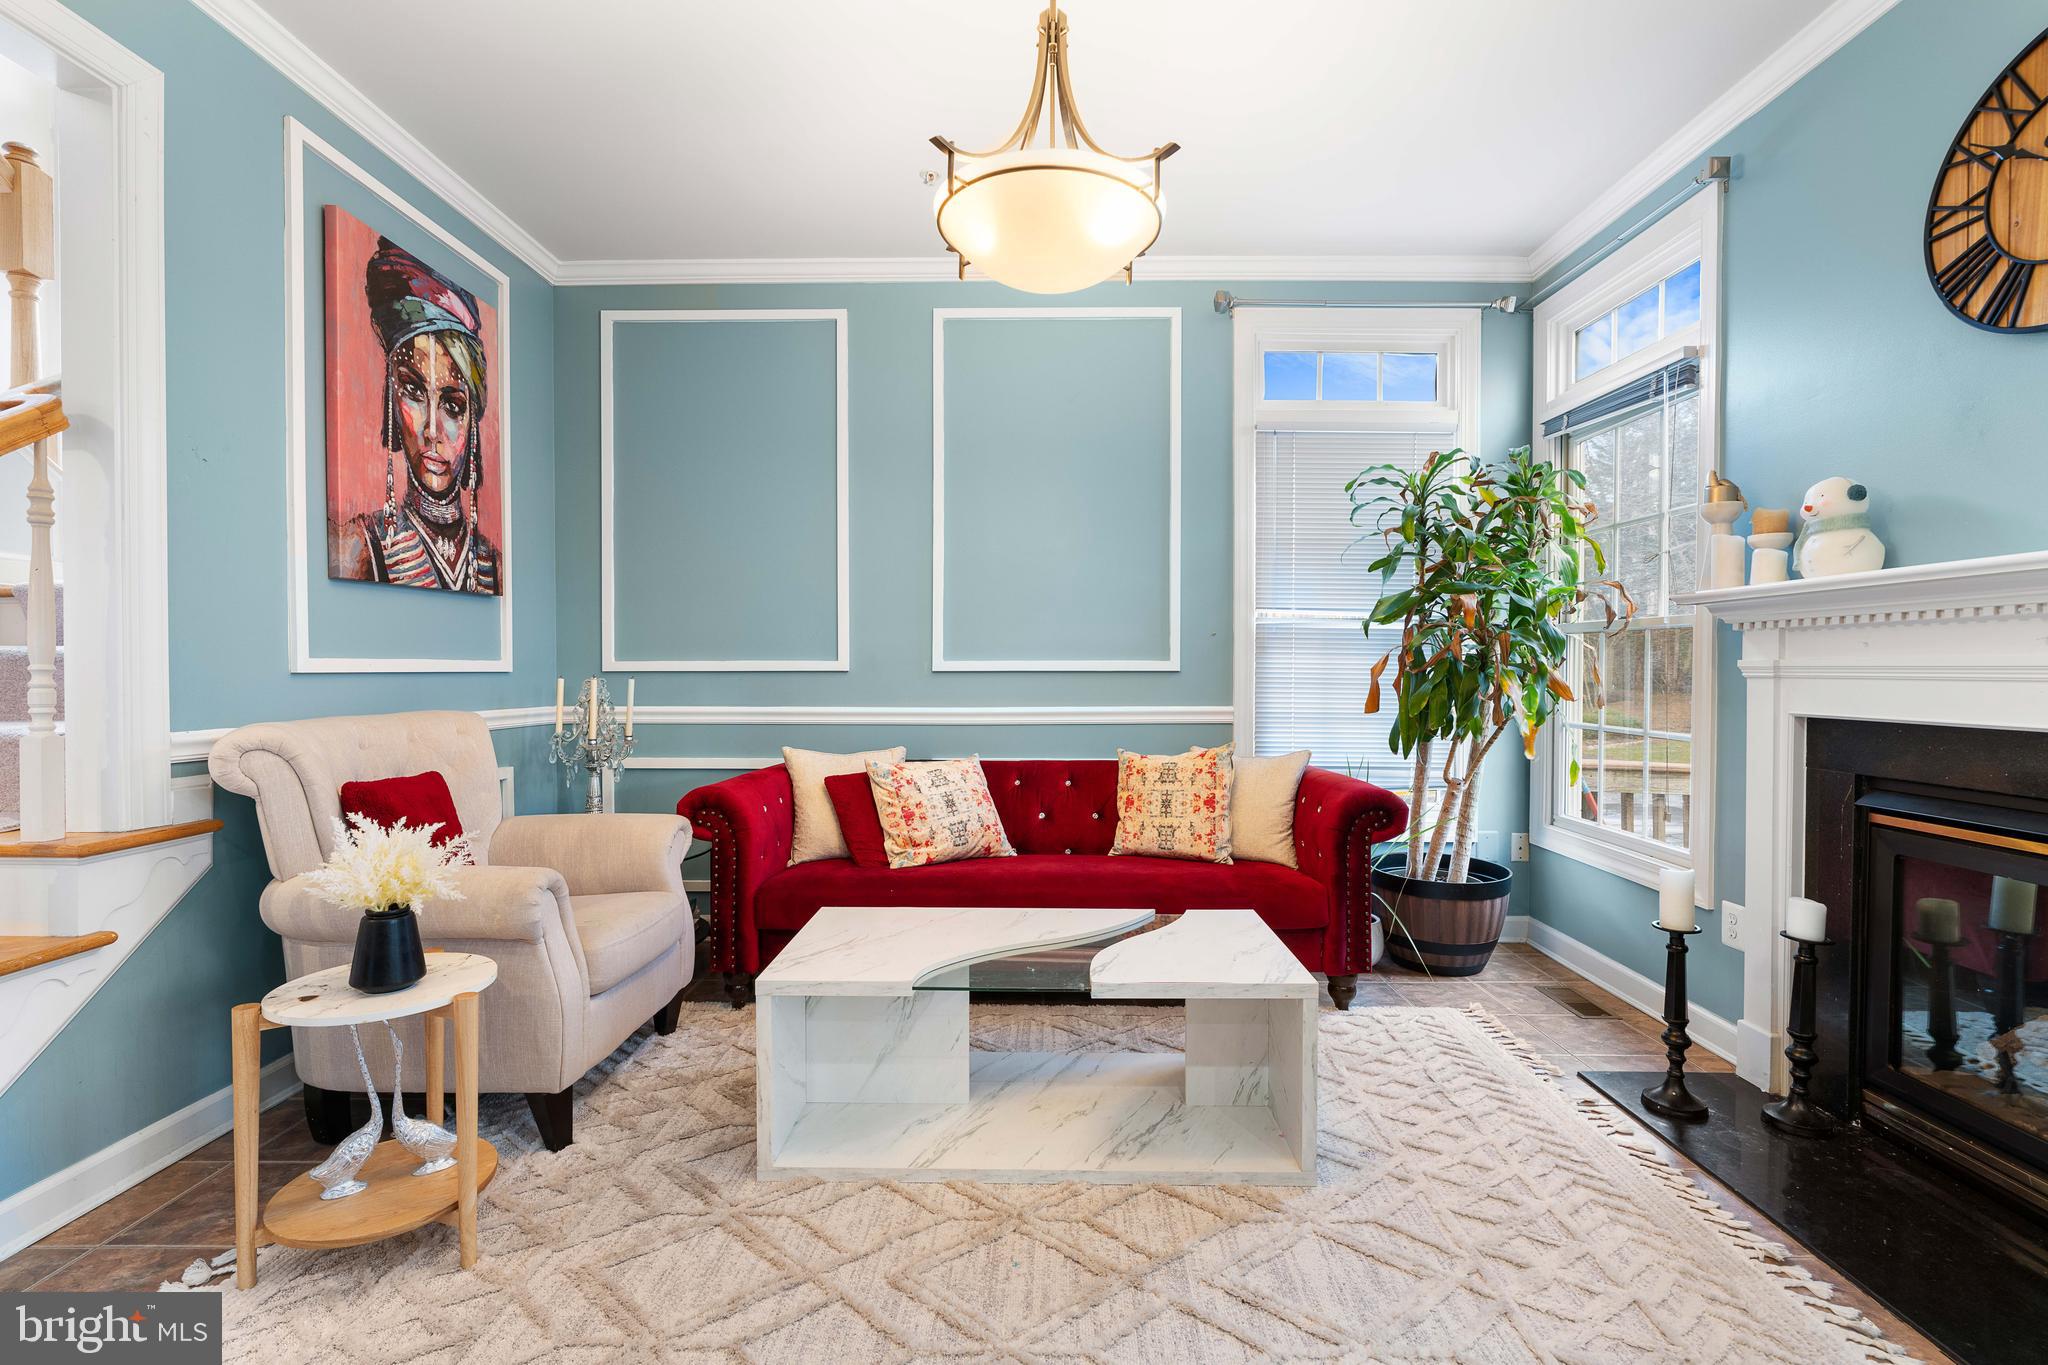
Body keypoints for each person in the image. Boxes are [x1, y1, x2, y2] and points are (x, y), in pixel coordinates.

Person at [330, 237, 500, 595]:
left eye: (452, 406)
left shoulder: (493, 565)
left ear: (473, 420)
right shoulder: (354, 547)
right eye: (414, 392)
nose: (432, 430)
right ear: (391, 400)